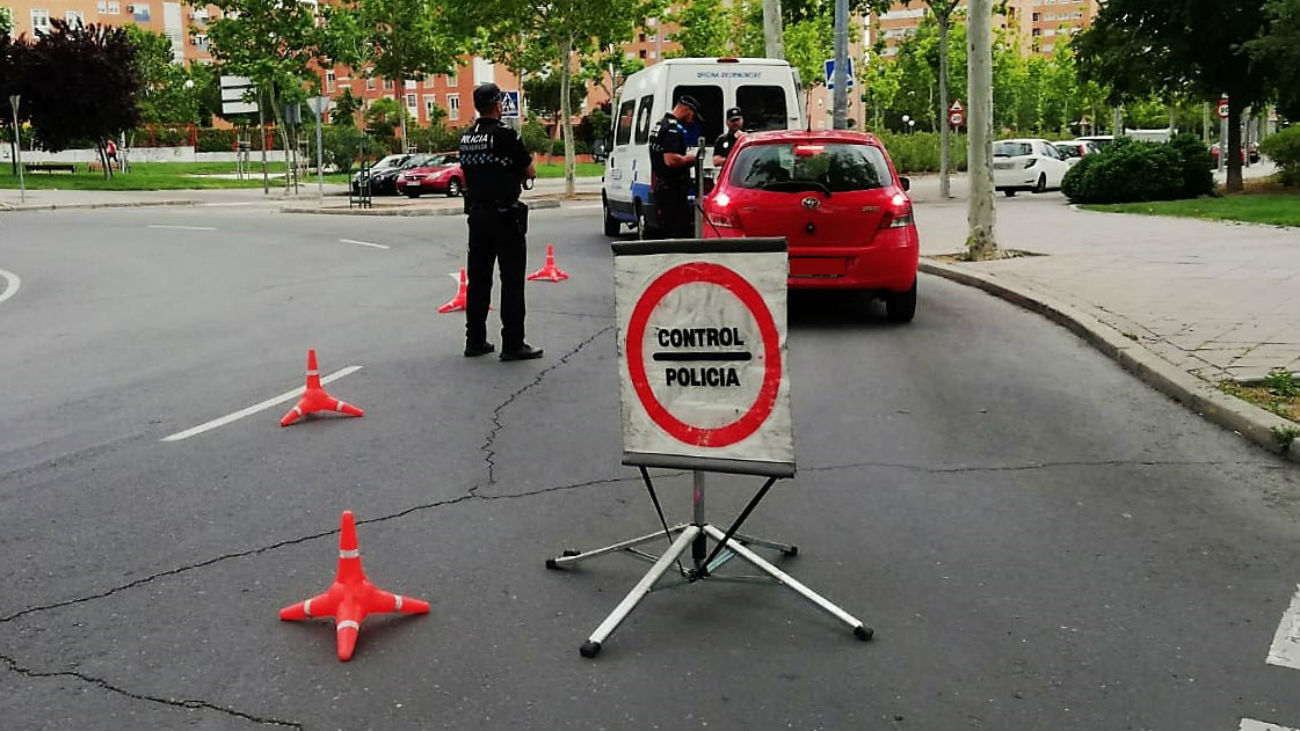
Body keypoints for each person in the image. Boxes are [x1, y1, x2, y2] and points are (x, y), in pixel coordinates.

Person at [458, 82, 542, 361]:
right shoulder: (505, 136)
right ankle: (513, 343)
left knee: (479, 280)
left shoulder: (467, 138)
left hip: (477, 216)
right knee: (511, 280)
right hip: (505, 216)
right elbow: (528, 169)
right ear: (497, 105)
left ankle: (475, 339)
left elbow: (470, 175)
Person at [648, 95, 703, 238]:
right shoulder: (673, 129)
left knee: (667, 228)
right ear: (686, 110)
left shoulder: (660, 124)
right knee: (677, 230)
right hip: (672, 189)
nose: (693, 119)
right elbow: (671, 160)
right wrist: (691, 159)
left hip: (662, 186)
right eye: (692, 114)